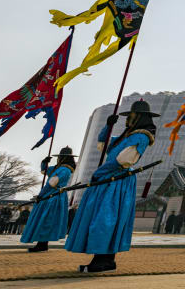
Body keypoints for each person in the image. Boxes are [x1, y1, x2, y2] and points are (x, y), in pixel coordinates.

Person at [65, 99, 156, 273]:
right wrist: (108, 127)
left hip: (116, 182)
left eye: (131, 115)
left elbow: (122, 161)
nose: (128, 119)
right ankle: (104, 259)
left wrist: (99, 173)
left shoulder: (141, 136)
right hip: (109, 179)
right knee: (103, 217)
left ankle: (103, 260)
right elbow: (104, 146)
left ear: (139, 117)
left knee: (105, 219)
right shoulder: (127, 135)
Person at [22, 146, 76, 252]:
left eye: (60, 157)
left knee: (46, 220)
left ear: (63, 158)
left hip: (53, 196)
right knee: (46, 220)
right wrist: (44, 162)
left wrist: (40, 195)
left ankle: (42, 244)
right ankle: (42, 244)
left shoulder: (64, 169)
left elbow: (51, 183)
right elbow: (45, 171)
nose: (58, 159)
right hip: (53, 195)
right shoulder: (59, 168)